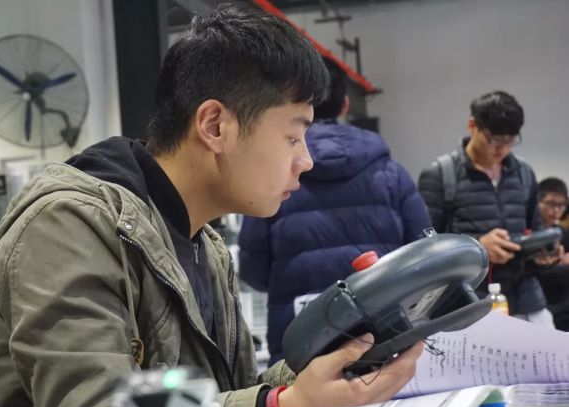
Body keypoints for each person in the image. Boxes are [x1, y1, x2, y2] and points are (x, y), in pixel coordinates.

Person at [0, 5, 422, 407]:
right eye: (294, 137)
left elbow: (219, 402)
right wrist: (281, 405)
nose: (306, 161)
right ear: (215, 126)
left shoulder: (204, 246)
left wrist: (336, 356)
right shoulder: (68, 226)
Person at [237, 56, 432, 366]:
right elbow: (422, 255)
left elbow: (253, 269)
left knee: (299, 396)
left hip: (301, 337)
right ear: (344, 105)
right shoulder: (391, 172)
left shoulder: (272, 175)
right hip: (382, 331)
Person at [418, 91, 556, 327]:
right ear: (472, 126)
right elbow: (424, 247)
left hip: (527, 301)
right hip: (469, 306)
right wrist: (478, 248)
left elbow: (535, 230)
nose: (502, 149)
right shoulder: (441, 174)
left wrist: (545, 254)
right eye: (494, 140)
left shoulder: (523, 172)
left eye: (510, 141)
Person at [536, 178, 569, 331]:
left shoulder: (564, 233)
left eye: (561, 205)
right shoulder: (528, 235)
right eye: (551, 204)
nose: (556, 210)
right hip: (540, 306)